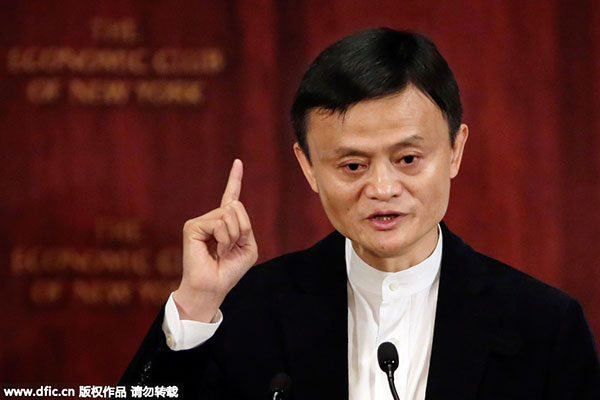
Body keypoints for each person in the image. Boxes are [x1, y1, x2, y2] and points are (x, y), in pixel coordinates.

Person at [121, 28, 600, 399]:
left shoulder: (545, 326)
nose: (383, 189)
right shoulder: (246, 310)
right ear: (308, 167)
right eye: (353, 165)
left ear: (455, 150)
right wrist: (196, 305)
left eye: (408, 159)